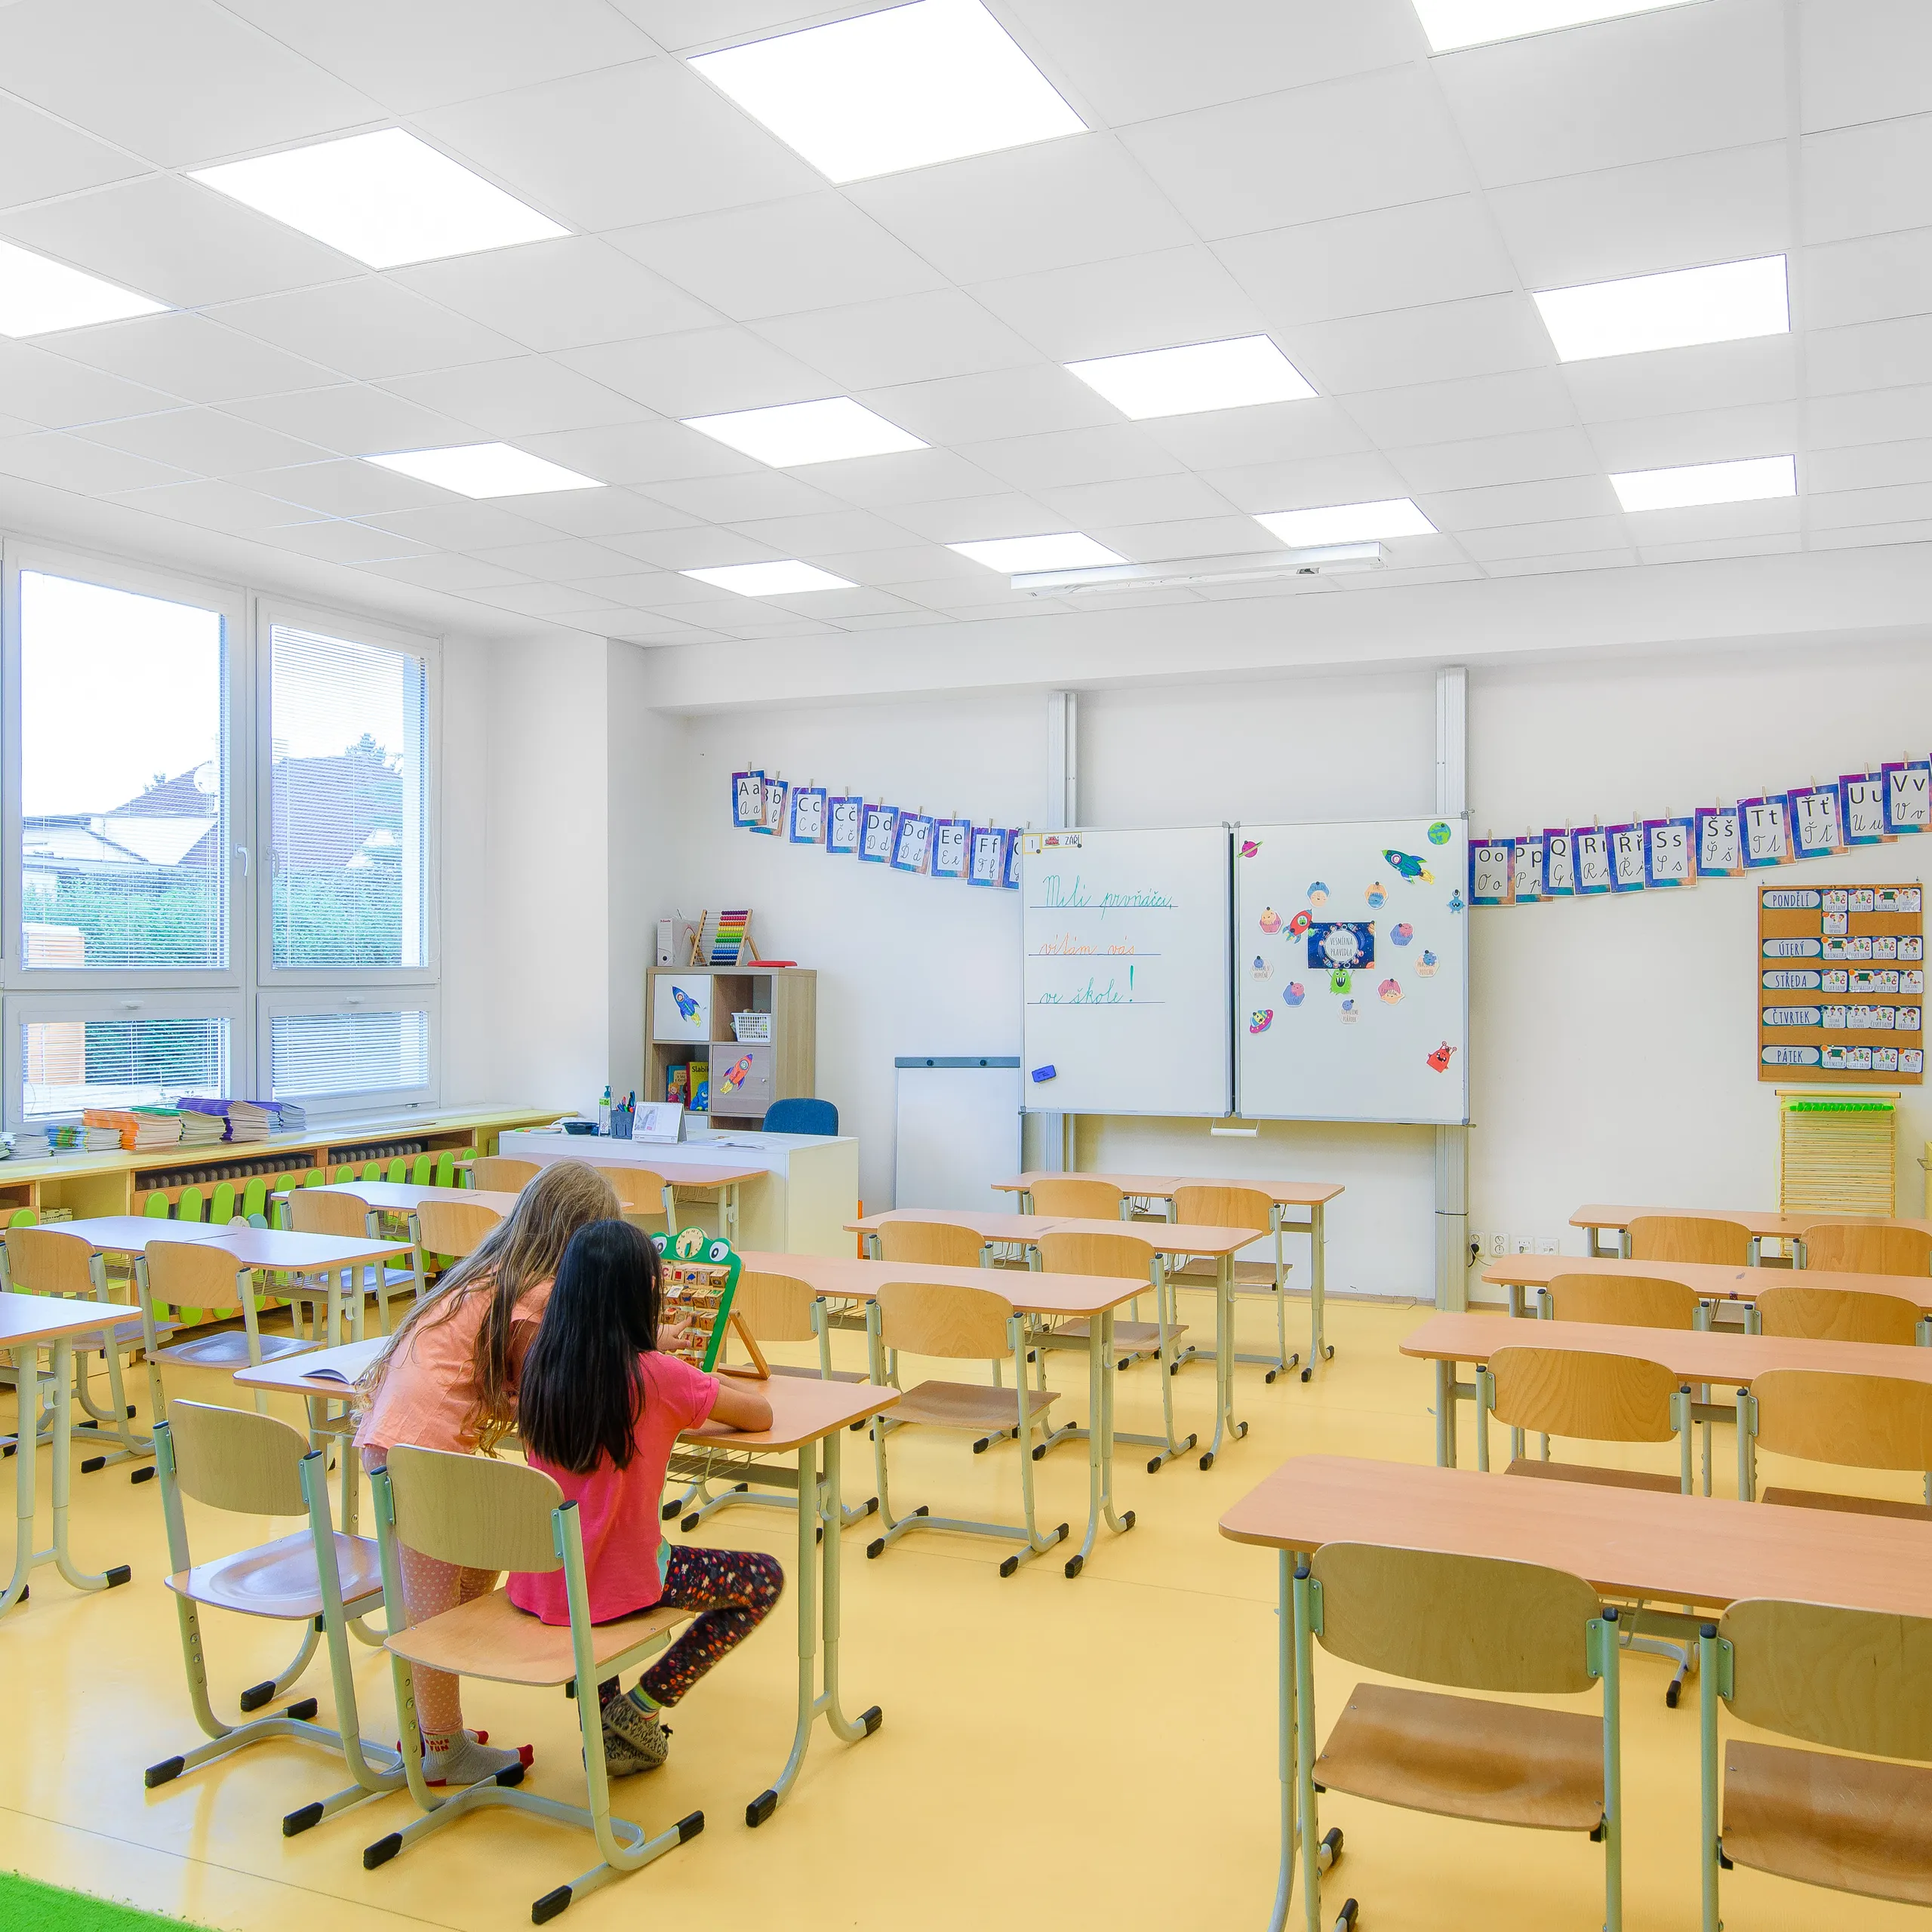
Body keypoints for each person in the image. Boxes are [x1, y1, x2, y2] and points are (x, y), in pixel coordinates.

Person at [355, 1159, 620, 1788]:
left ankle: (429, 1723)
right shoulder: (537, 1295)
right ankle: (441, 1748)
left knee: (453, 1588)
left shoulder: (485, 1274)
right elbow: (541, 1396)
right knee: (433, 1610)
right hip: (428, 1463)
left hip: (402, 1449)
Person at [511, 1217, 779, 1777]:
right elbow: (760, 1415)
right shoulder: (659, 1378)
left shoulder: (539, 1364)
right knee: (762, 1579)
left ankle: (607, 1731)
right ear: (640, 1297)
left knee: (591, 1562)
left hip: (543, 1583)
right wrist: (683, 1370)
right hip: (623, 1584)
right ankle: (643, 1705)